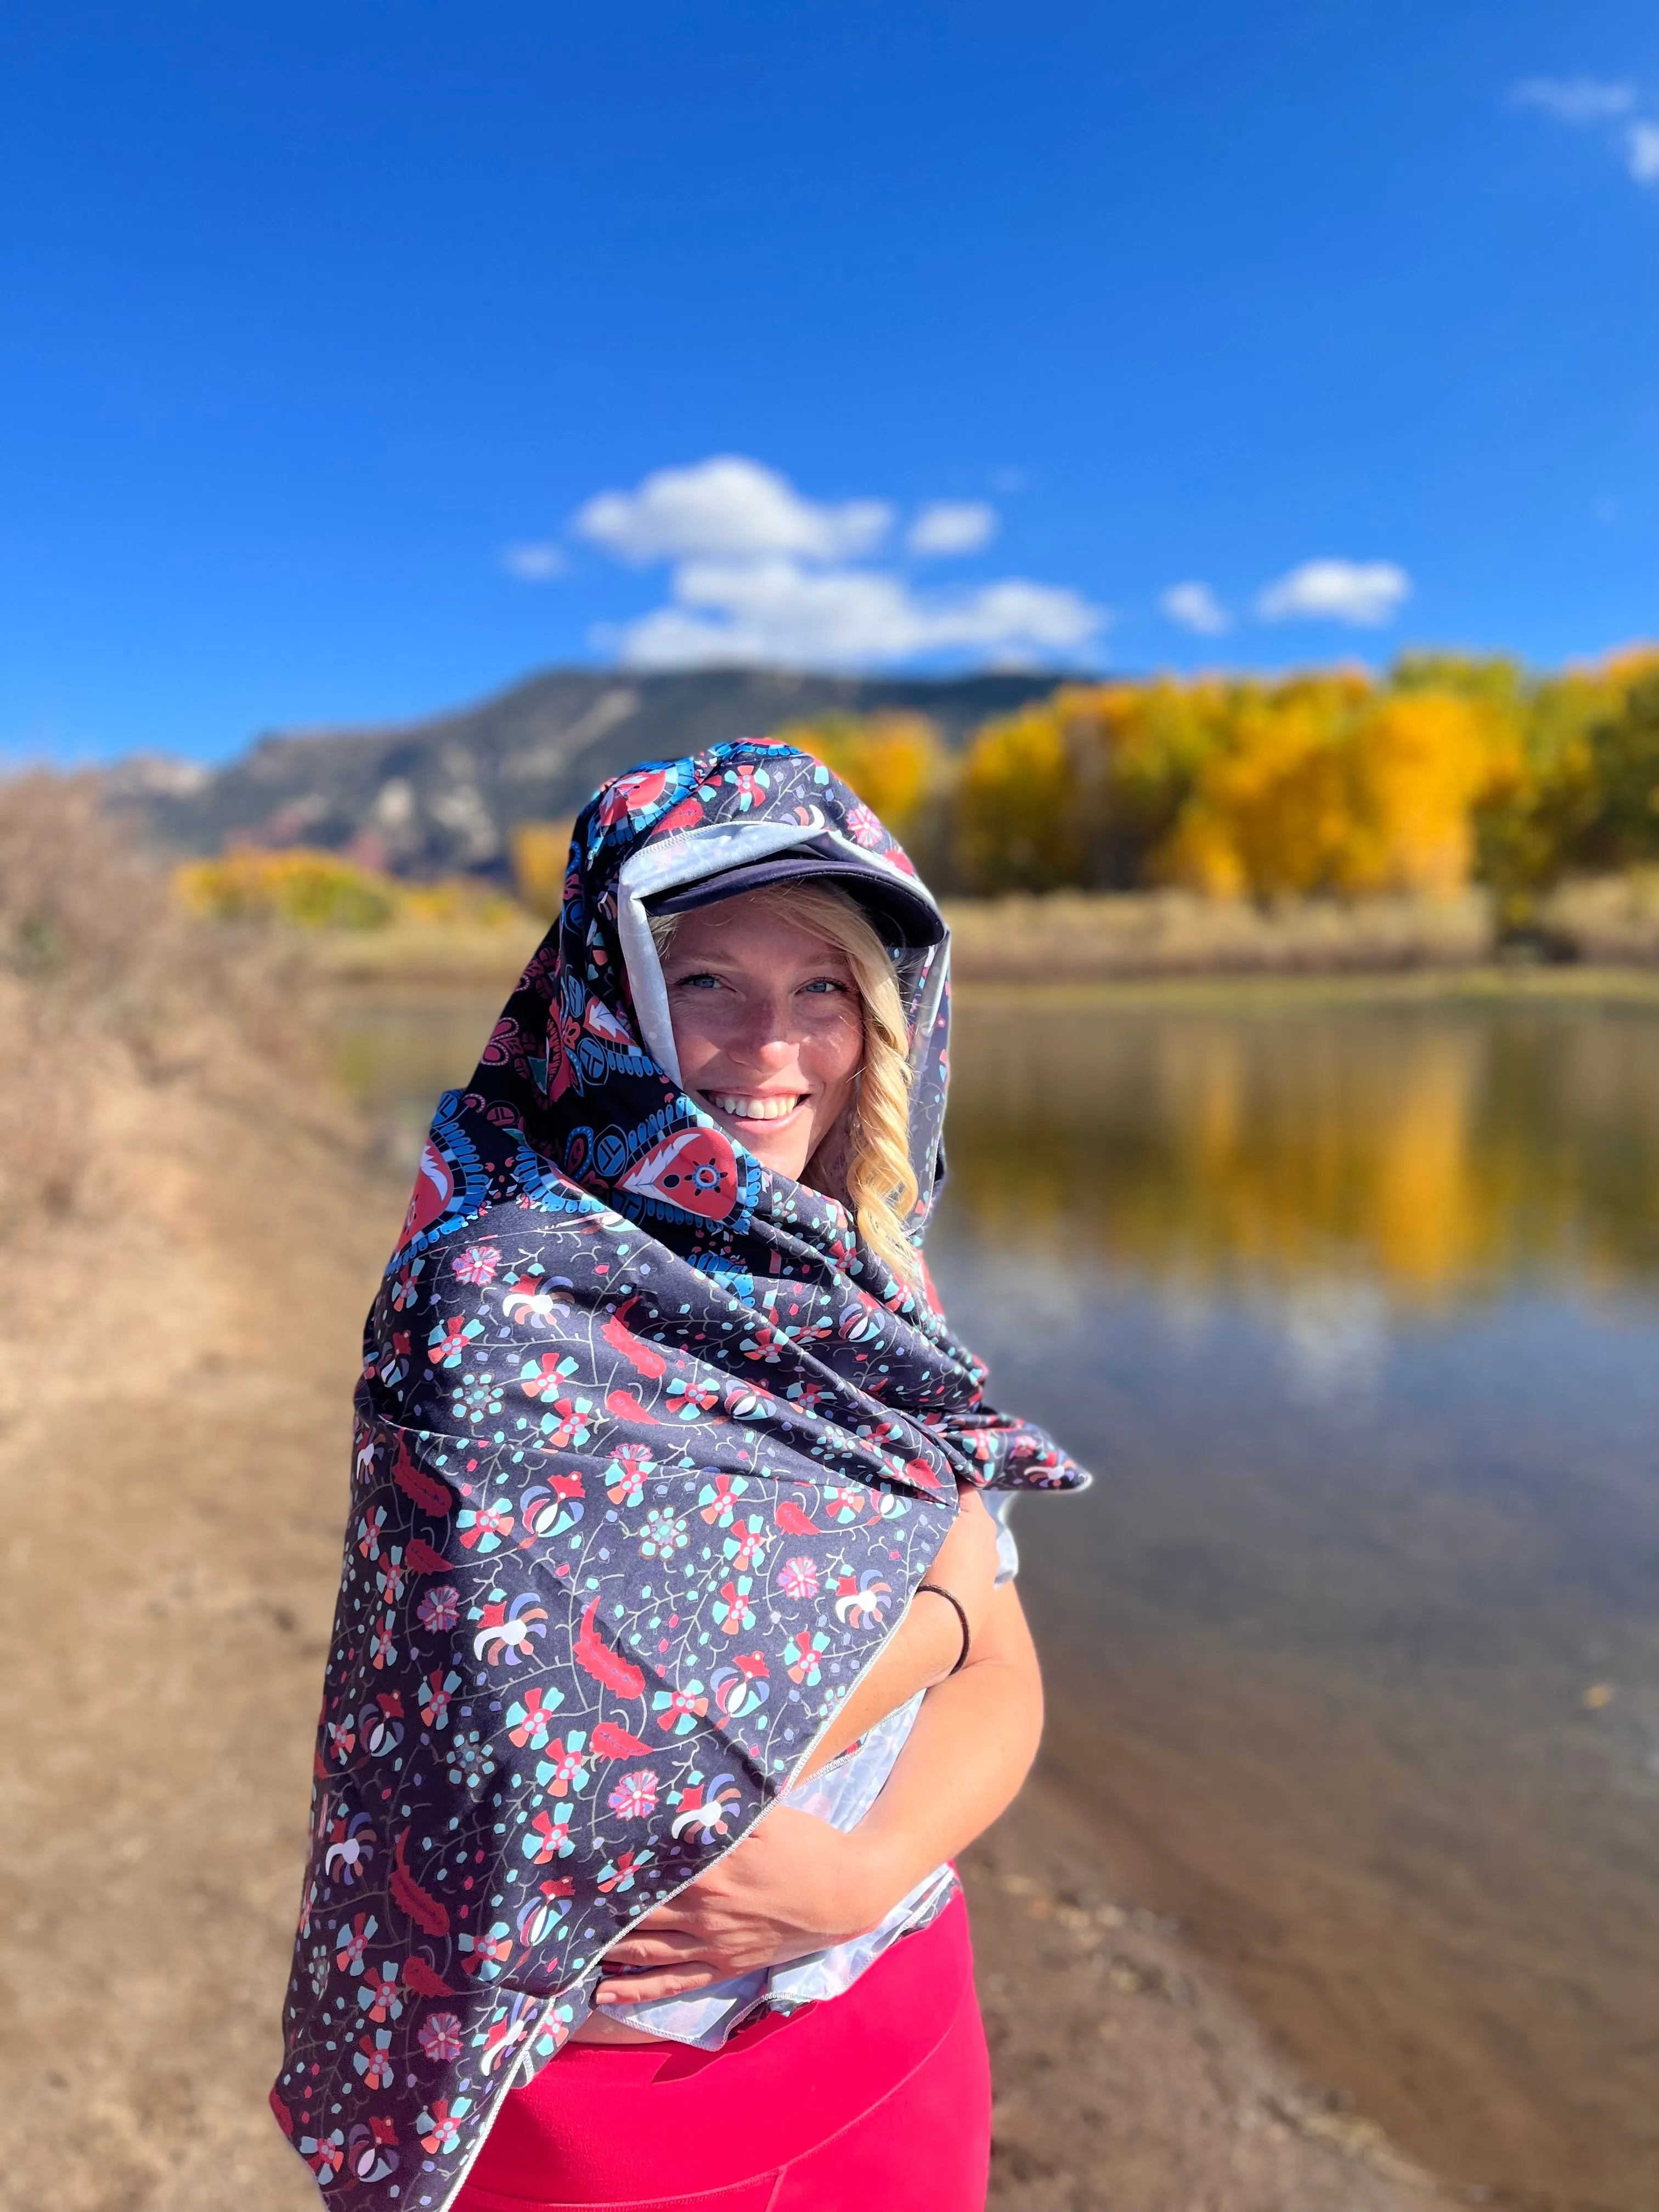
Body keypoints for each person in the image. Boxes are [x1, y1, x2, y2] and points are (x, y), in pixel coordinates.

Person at [272, 743, 1088, 2212]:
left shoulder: (866, 1276)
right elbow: (567, 1771)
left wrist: (864, 1868)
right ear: (611, 996)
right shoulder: (494, 1294)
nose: (775, 1047)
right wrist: (938, 1616)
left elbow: (1006, 1660)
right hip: (612, 2114)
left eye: (824, 989)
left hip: (895, 2018)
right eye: (710, 980)